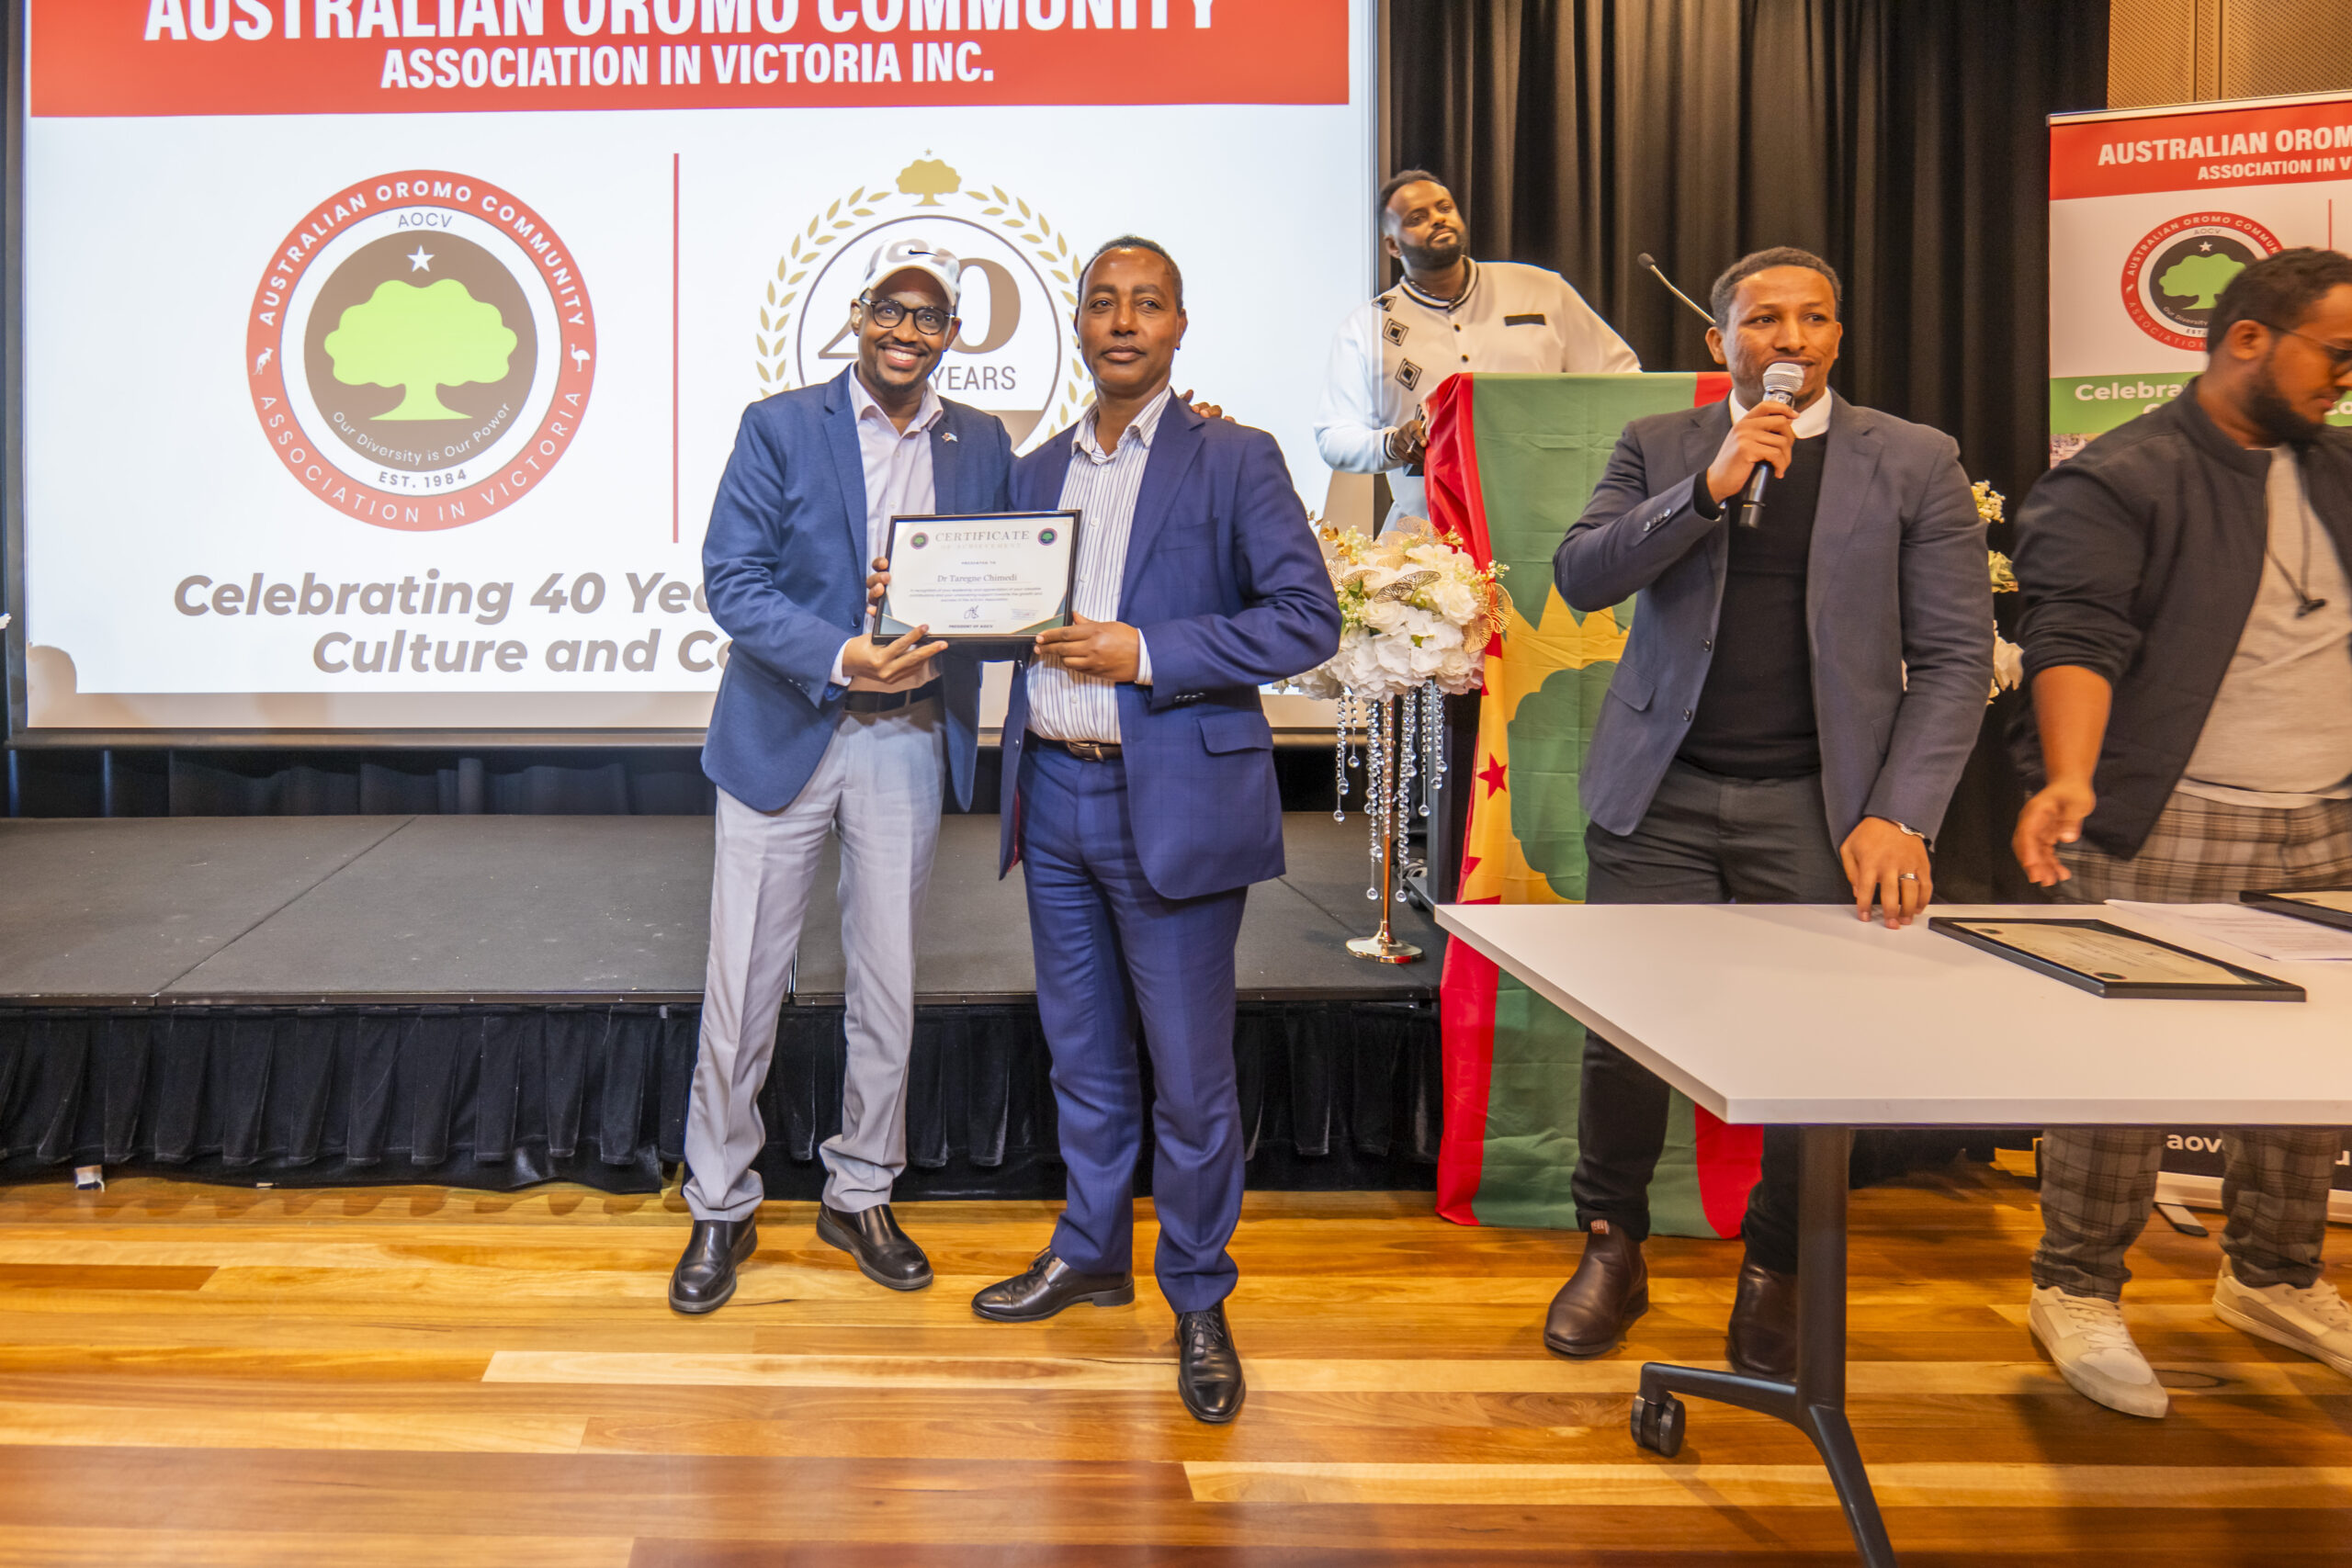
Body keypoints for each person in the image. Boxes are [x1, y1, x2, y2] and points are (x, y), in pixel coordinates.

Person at [1542, 247, 1994, 1376]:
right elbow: (1582, 576)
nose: (1790, 340)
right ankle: (1612, 1245)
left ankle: (1778, 1265)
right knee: (1624, 1042)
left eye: (1813, 319)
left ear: (1838, 335)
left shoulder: (1916, 459)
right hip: (1659, 796)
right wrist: (1709, 487)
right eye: (1763, 320)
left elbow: (1954, 655)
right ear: (1719, 341)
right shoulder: (1662, 444)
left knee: (1808, 1052)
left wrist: (1903, 813)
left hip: (1822, 809)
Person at [962, 235, 1341, 1424]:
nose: (1124, 321)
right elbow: (998, 610)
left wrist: (1148, 650)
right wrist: (915, 598)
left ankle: (1198, 1292)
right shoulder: (1032, 470)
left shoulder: (1235, 454)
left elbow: (1306, 618)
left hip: (1171, 798)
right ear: (1077, 324)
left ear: (1179, 325)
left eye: (1148, 303)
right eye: (1103, 303)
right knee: (1080, 1054)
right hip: (1053, 797)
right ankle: (1090, 1251)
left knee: (1189, 1074)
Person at [2009, 246, 2352, 1419]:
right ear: (2248, 339)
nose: (2344, 380)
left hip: (2329, 817)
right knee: (2121, 1065)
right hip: (2170, 817)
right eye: (2334, 354)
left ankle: (2274, 1275)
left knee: (2315, 1066)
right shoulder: (2120, 478)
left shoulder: (2338, 471)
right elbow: (2074, 635)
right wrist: (2069, 777)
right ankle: (2076, 1286)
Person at [671, 239, 1014, 1314]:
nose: (906, 333)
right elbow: (733, 580)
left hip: (907, 736)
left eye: (929, 317)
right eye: (889, 312)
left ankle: (860, 1190)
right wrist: (841, 650)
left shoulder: (981, 440)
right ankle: (719, 1202)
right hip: (785, 728)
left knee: (886, 981)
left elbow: (1017, 568)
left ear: (953, 335)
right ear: (858, 317)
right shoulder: (779, 425)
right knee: (742, 985)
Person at [1315, 169, 1638, 531]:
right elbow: (1333, 437)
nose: (1438, 219)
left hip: (1551, 524)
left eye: (1444, 208)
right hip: (1429, 537)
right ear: (1392, 245)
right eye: (1417, 218)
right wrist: (1393, 445)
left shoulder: (1541, 289)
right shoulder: (1367, 327)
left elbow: (1622, 379)